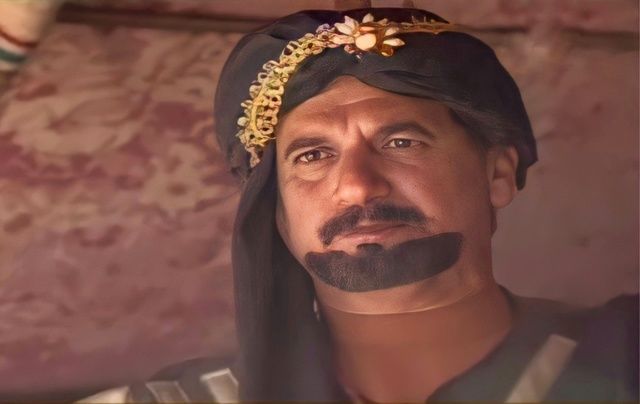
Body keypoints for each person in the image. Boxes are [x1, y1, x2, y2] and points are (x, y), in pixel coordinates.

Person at [79, 8, 638, 403]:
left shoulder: (621, 362)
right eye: (313, 155)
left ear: (497, 174)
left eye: (401, 143)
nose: (357, 187)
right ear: (275, 210)